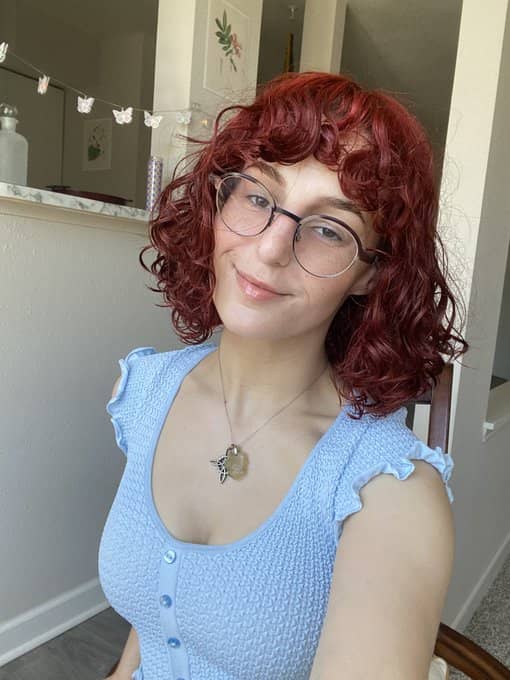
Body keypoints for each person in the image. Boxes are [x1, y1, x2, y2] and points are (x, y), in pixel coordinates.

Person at [100, 71, 469, 680]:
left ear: (371, 273)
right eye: (257, 196)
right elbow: (157, 619)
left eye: (327, 229)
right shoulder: (143, 392)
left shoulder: (388, 493)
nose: (270, 248)